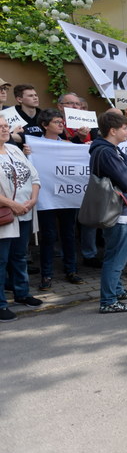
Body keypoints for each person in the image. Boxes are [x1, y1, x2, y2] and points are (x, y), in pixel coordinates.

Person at [89, 111, 127, 313]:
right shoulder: (106, 152)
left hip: (121, 210)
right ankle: (108, 301)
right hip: (117, 211)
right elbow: (125, 182)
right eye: (124, 128)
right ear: (112, 131)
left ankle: (117, 290)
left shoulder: (110, 150)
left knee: (118, 254)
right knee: (116, 256)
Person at [35, 109, 85, 290]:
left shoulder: (67, 143)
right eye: (56, 122)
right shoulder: (35, 145)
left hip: (66, 196)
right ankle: (46, 275)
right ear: (45, 125)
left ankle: (71, 270)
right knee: (48, 236)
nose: (61, 124)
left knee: (69, 234)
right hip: (46, 197)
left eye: (61, 121)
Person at [0, 117, 42, 322]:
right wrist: (12, 204)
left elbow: (34, 176)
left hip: (24, 211)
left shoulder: (15, 150)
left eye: (6, 126)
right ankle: (0, 304)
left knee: (19, 256)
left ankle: (22, 293)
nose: (4, 130)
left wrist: (33, 199)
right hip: (5, 215)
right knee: (1, 260)